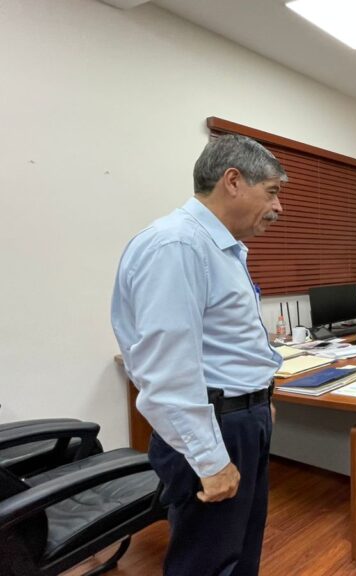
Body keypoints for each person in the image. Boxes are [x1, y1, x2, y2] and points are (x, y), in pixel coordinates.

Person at [111, 135, 287, 575]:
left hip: (240, 418)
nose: (278, 207)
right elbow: (168, 372)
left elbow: (226, 344)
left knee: (241, 548)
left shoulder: (218, 247)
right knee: (208, 560)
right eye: (272, 191)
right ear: (233, 181)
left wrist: (262, 401)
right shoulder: (178, 247)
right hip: (212, 425)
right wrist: (210, 460)